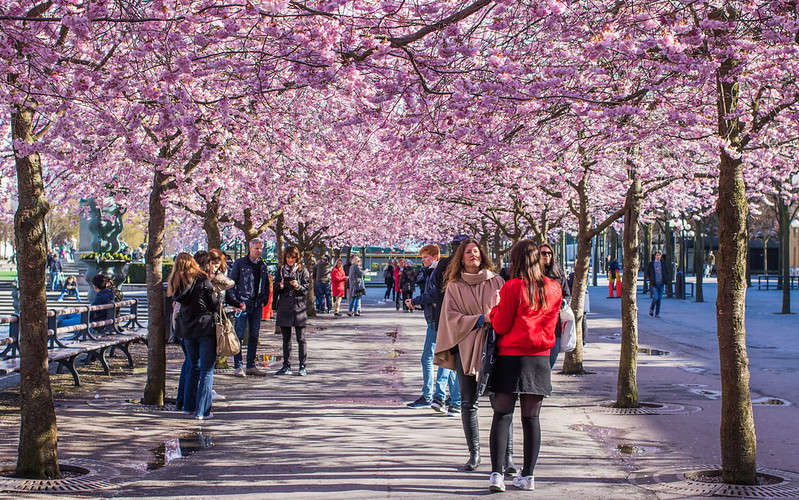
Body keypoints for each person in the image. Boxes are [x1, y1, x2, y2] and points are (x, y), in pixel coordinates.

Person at [487, 240, 562, 492]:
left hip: (511, 357)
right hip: (539, 358)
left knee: (502, 414)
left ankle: (497, 474)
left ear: (517, 260)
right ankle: (528, 475)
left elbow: (500, 325)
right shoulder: (554, 288)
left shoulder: (513, 287)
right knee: (532, 418)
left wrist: (494, 310)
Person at [434, 238, 505, 471]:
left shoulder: (497, 282)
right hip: (466, 349)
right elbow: (450, 318)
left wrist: (493, 319)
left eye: (476, 251)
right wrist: (479, 319)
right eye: (468, 252)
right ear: (461, 258)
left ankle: (507, 457)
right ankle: (474, 454)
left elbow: (506, 311)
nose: (473, 255)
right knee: (468, 402)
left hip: (495, 348)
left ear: (482, 255)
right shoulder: (454, 286)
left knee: (501, 404)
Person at [406, 244, 461, 415]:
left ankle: (431, 395)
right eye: (422, 257)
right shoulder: (431, 271)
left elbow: (437, 294)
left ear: (435, 257)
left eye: (426, 257)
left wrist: (416, 301)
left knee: (430, 358)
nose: (423, 260)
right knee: (446, 360)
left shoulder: (440, 270)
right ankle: (451, 397)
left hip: (438, 322)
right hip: (435, 319)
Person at [172, 252, 219, 420]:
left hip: (188, 329)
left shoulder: (177, 282)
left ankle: (187, 406)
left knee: (193, 367)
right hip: (205, 327)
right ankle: (202, 410)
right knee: (207, 370)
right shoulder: (202, 279)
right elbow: (214, 304)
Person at [228, 239, 271, 377]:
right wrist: (236, 303)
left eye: (260, 248)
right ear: (250, 248)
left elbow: (265, 284)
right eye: (256, 248)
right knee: (239, 335)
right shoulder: (240, 263)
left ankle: (251, 365)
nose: (259, 251)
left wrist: (263, 299)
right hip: (243, 303)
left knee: (254, 335)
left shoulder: (262, 265)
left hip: (256, 304)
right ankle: (238, 366)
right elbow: (231, 284)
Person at [274, 246, 311, 376]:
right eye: (288, 257)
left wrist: (298, 286)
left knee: (301, 338)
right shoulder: (280, 270)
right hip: (284, 307)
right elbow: (275, 288)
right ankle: (286, 365)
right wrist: (280, 286)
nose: (290, 260)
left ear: (297, 258)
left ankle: (302, 366)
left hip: (298, 307)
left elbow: (306, 289)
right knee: (286, 339)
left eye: (293, 257)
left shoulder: (302, 270)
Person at [539, 243, 570, 369]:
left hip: (554, 325)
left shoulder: (558, 274)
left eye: (549, 253)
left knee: (552, 359)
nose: (546, 256)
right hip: (537, 325)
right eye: (543, 253)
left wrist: (563, 302)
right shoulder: (533, 275)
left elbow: (567, 294)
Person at [645, 250, 670, 318]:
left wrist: (666, 280)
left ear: (661, 256)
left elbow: (666, 272)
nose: (658, 256)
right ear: (655, 256)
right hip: (654, 284)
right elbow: (648, 272)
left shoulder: (663, 263)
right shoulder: (651, 264)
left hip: (661, 284)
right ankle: (651, 308)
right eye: (657, 255)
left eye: (659, 255)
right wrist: (649, 279)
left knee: (659, 299)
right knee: (656, 297)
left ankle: (657, 314)